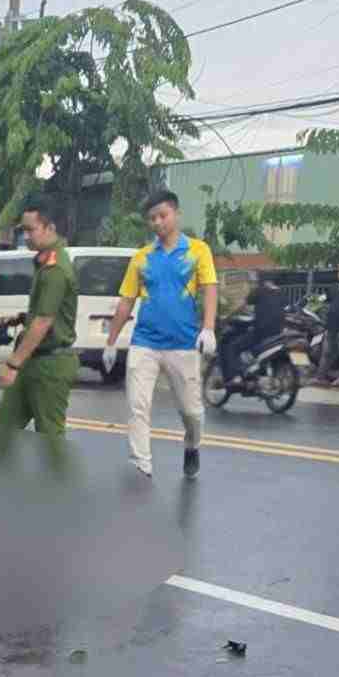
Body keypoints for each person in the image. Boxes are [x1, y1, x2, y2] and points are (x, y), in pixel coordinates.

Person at [102, 189, 218, 480]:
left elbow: (210, 288)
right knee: (137, 406)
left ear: (176, 214)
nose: (157, 222)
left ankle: (192, 445)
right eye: (152, 218)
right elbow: (127, 300)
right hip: (145, 343)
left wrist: (208, 328)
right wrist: (111, 342)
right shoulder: (141, 258)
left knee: (191, 413)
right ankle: (141, 463)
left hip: (183, 344)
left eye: (162, 216)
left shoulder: (198, 251)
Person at [0, 200, 78, 451]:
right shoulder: (43, 263)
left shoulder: (56, 268)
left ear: (49, 228)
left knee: (50, 440)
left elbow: (43, 322)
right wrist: (20, 318)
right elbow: (40, 314)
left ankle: (55, 489)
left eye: (31, 230)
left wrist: (12, 364)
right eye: (24, 231)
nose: (26, 236)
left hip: (50, 365)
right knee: (1, 431)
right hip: (33, 361)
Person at [217, 275, 284, 389]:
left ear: (264, 282)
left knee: (233, 347)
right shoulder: (281, 294)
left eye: (255, 282)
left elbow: (242, 307)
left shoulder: (259, 290)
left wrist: (227, 318)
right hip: (278, 333)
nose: (255, 284)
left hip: (261, 332)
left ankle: (235, 378)